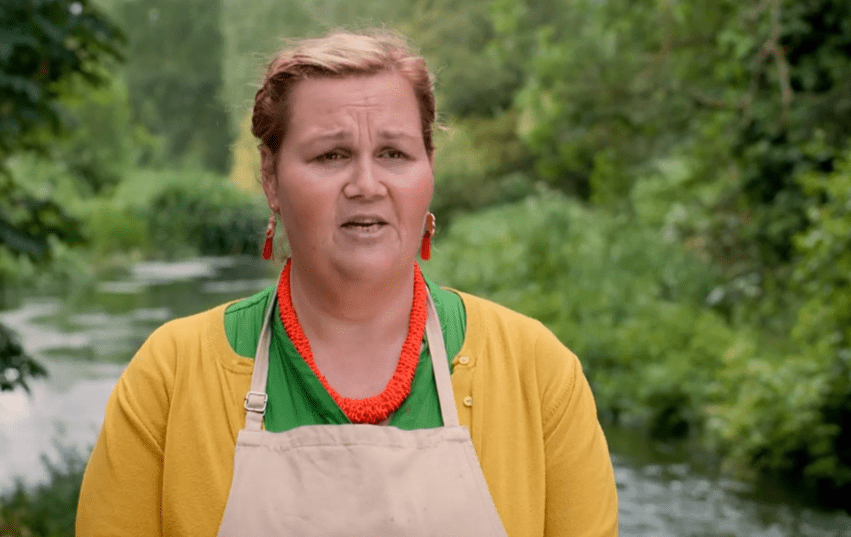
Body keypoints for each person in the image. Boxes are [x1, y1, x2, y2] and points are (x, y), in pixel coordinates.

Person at [76, 29, 618, 536]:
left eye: (393, 153)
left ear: (429, 169)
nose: (366, 184)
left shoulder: (537, 372)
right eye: (331, 155)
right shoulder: (171, 376)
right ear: (271, 177)